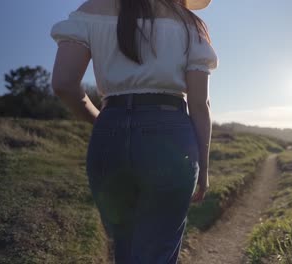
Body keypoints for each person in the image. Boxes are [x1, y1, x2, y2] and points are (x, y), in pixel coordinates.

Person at [49, 0, 218, 262]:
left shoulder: (90, 11)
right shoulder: (190, 24)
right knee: (156, 250)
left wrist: (102, 121)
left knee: (124, 245)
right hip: (169, 131)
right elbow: (199, 104)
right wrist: (204, 169)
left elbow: (63, 83)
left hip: (110, 129)